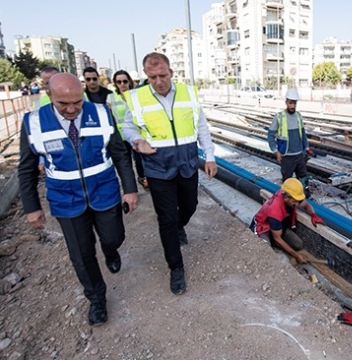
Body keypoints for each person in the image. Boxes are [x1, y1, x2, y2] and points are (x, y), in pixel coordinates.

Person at [18, 73, 139, 326]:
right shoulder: (34, 122)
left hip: (104, 191)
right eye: (64, 104)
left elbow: (119, 153)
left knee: (113, 237)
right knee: (81, 254)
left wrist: (130, 188)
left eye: (77, 102)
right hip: (65, 199)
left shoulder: (102, 113)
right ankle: (97, 299)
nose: (72, 109)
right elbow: (26, 168)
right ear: (49, 96)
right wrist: (32, 207)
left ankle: (110, 251)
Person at [121, 52, 217, 295]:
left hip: (186, 164)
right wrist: (136, 141)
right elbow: (128, 128)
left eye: (163, 75)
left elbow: (202, 127)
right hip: (158, 167)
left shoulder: (188, 94)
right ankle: (176, 267)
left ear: (171, 73)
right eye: (152, 77)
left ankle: (179, 225)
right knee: (166, 218)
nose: (158, 81)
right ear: (146, 76)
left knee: (190, 206)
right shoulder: (137, 98)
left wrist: (210, 157)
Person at [250, 178, 324, 264]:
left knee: (298, 244)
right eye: (295, 201)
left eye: (298, 201)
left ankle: (275, 241)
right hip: (262, 229)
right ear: (286, 198)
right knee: (266, 253)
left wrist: (313, 215)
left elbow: (307, 205)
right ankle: (270, 242)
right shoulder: (275, 210)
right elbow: (277, 238)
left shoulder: (291, 197)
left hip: (277, 228)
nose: (297, 204)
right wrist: (296, 256)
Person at [267, 88, 314, 192]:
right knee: (288, 181)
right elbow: (270, 135)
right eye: (290, 103)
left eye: (294, 103)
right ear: (286, 102)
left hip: (299, 155)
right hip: (286, 156)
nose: (292, 106)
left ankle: (304, 196)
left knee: (303, 178)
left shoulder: (298, 116)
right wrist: (275, 150)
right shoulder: (279, 117)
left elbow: (302, 134)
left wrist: (306, 148)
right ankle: (288, 200)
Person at [107, 70, 148, 189]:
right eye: (119, 82)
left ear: (129, 81)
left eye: (125, 81)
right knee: (126, 162)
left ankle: (142, 178)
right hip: (120, 135)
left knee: (140, 160)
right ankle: (130, 187)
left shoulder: (136, 95)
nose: (122, 84)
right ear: (115, 83)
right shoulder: (111, 97)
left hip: (136, 133)